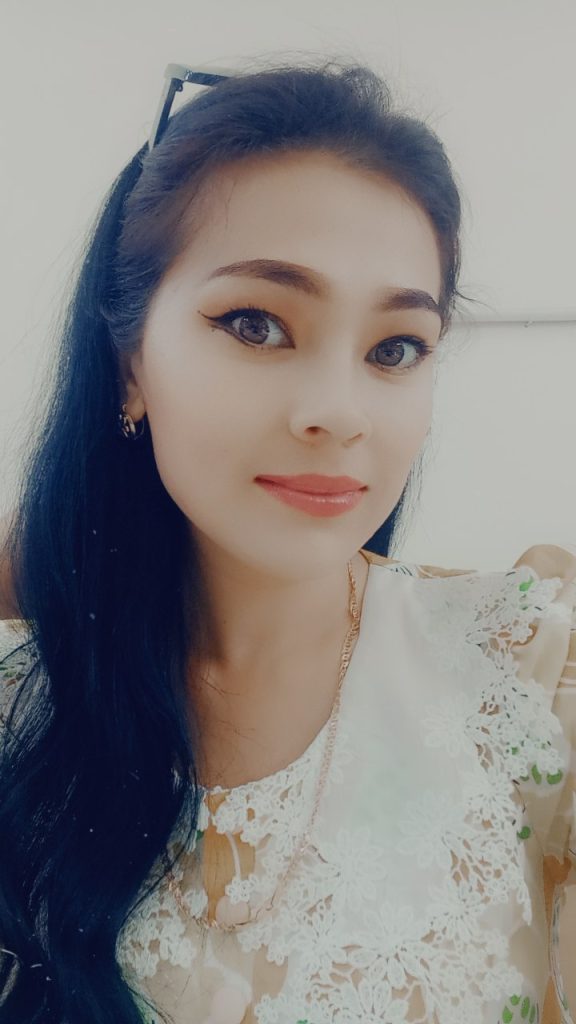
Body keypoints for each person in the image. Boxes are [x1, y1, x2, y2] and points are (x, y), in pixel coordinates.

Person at [0, 57, 575, 1024]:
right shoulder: (28, 712)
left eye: (395, 349)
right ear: (130, 363)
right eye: (258, 323)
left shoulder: (524, 674)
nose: (337, 412)